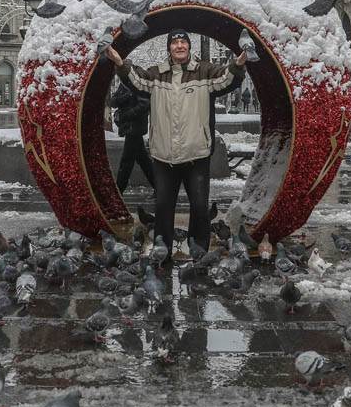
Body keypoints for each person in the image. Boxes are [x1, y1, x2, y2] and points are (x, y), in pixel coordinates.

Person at [106, 30, 247, 254]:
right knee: (162, 208)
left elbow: (226, 78)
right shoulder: (156, 75)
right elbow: (136, 79)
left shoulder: (205, 72)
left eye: (183, 42)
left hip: (196, 154)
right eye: (175, 43)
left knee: (200, 208)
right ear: (169, 48)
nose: (179, 46)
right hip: (164, 155)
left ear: (189, 47)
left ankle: (198, 253)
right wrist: (120, 63)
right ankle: (164, 254)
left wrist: (238, 64)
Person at [109, 81, 156, 194]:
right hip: (128, 128)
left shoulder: (140, 83)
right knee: (143, 159)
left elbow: (144, 104)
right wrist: (125, 96)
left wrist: (126, 115)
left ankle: (118, 191)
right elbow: (113, 102)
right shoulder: (124, 84)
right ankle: (160, 187)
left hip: (135, 128)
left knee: (127, 161)